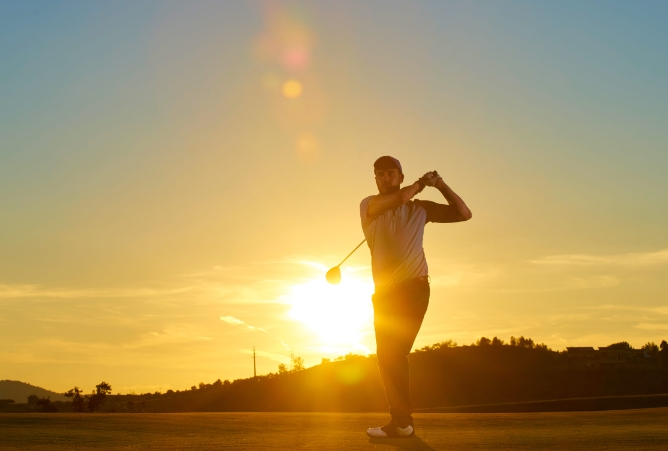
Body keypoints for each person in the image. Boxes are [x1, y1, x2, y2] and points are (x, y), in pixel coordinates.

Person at [361, 156, 472, 438]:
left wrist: (440, 185)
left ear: (400, 175)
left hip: (413, 289)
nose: (385, 178)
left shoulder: (421, 209)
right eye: (380, 174)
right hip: (383, 295)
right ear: (375, 179)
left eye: (390, 173)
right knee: (386, 358)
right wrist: (421, 184)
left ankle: (402, 423)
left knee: (393, 354)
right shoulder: (369, 206)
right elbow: (398, 200)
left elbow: (463, 213)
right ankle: (401, 423)